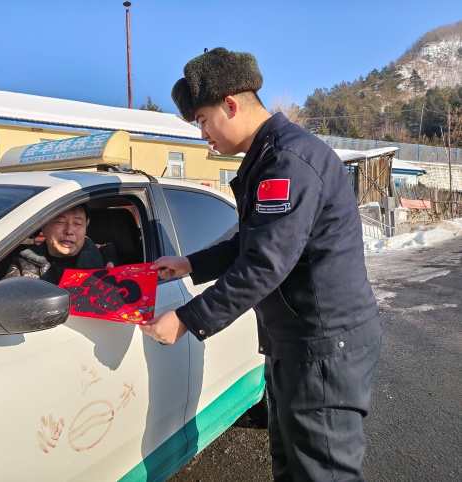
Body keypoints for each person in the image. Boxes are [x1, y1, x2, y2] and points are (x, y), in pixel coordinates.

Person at [140, 48, 382, 481]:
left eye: (203, 121)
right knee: (291, 465)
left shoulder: (288, 161)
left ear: (230, 106)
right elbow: (252, 242)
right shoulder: (268, 157)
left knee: (323, 472)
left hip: (322, 347)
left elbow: (264, 264)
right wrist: (190, 263)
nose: (203, 135)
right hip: (296, 342)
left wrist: (187, 319)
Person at [3, 204, 114, 285]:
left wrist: (111, 285)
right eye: (60, 222)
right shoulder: (23, 265)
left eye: (77, 223)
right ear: (44, 226)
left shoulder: (104, 260)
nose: (69, 231)